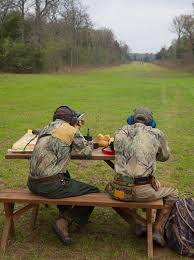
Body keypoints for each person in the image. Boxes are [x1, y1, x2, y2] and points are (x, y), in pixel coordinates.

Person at [27, 105, 99, 245]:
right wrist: (88, 141)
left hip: (32, 183)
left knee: (64, 173)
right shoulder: (70, 130)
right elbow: (85, 152)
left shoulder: (46, 128)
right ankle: (64, 221)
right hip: (49, 186)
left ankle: (65, 210)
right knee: (94, 193)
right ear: (72, 120)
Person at [106, 107, 178, 246]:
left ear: (131, 120)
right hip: (143, 190)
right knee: (173, 191)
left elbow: (114, 148)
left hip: (119, 191)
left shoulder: (120, 131)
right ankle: (157, 229)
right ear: (152, 122)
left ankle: (136, 222)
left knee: (107, 190)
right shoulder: (156, 133)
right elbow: (164, 157)